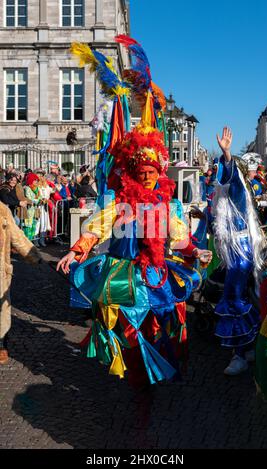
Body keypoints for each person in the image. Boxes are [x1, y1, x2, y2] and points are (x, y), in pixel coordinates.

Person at [57, 126, 212, 388]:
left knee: (159, 321)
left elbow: (179, 236)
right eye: (142, 172)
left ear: (159, 172)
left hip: (155, 271)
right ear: (133, 174)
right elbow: (97, 227)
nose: (148, 176)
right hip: (123, 273)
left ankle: (151, 370)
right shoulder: (118, 201)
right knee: (126, 325)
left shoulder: (166, 203)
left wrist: (195, 250)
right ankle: (136, 371)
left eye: (152, 172)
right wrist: (76, 250)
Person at [213, 127, 266, 375]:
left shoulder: (236, 188)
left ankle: (240, 355)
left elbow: (229, 176)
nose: (215, 173)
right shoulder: (224, 197)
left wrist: (226, 154)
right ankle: (251, 347)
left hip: (240, 249)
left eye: (218, 168)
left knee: (234, 299)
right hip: (236, 248)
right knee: (246, 296)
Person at [0, 201, 41, 364]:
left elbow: (17, 236)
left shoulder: (2, 210)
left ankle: (1, 345)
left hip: (0, 272)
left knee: (1, 310)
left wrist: (34, 256)